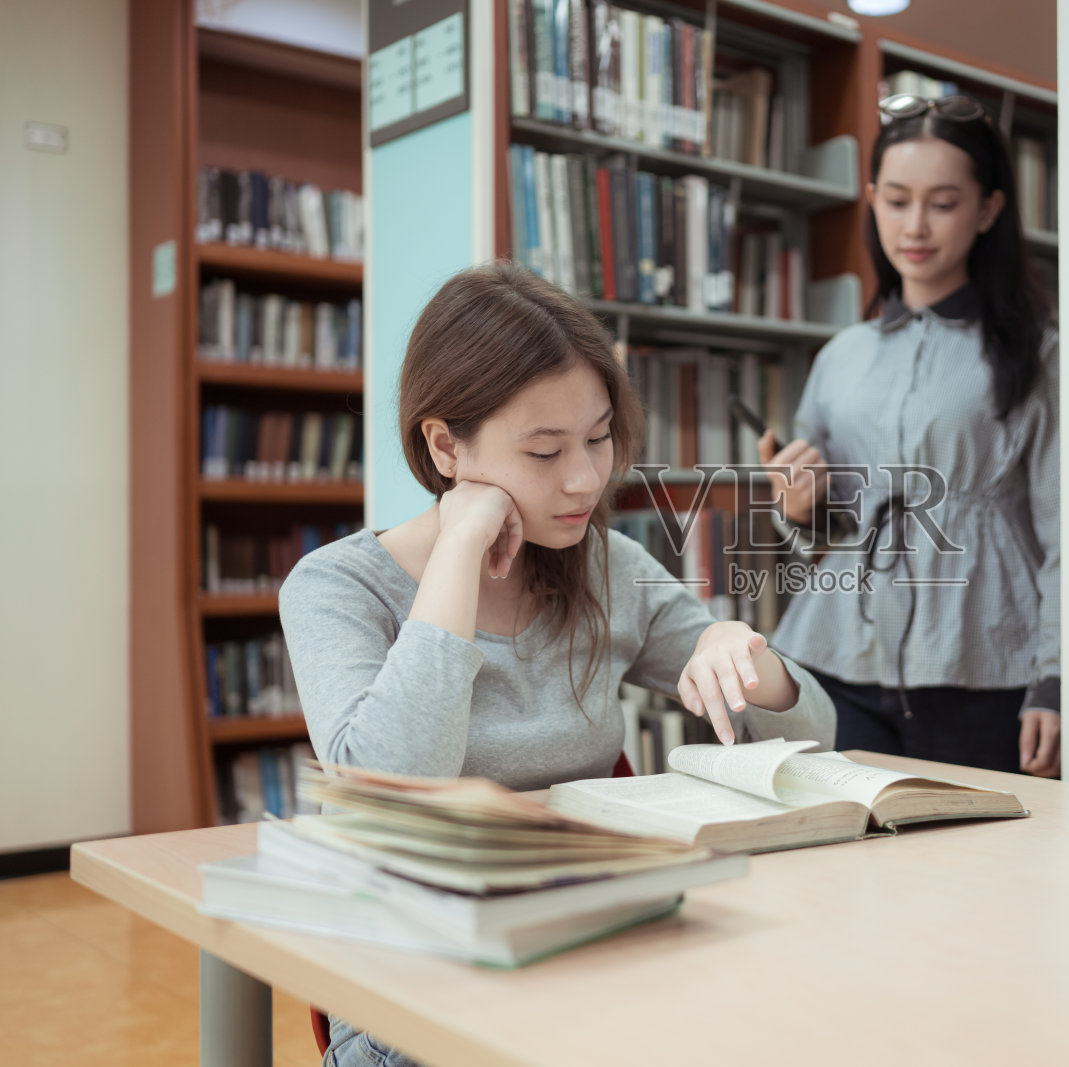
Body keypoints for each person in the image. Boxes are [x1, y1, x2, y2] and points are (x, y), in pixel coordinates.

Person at [278, 262, 835, 1067]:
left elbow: (816, 730)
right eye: (544, 451)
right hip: (415, 979)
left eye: (599, 438)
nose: (584, 479)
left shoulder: (610, 567)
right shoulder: (336, 587)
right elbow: (386, 788)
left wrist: (747, 656)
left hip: (597, 950)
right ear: (444, 445)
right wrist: (461, 549)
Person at [758, 93, 1060, 778]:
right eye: (896, 200)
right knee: (839, 866)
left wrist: (1055, 680)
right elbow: (819, 535)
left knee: (971, 873)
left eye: (943, 202)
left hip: (982, 668)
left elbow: (1062, 539)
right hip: (837, 660)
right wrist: (798, 505)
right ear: (871, 200)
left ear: (988, 208)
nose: (915, 226)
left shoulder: (1039, 356)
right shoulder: (841, 354)